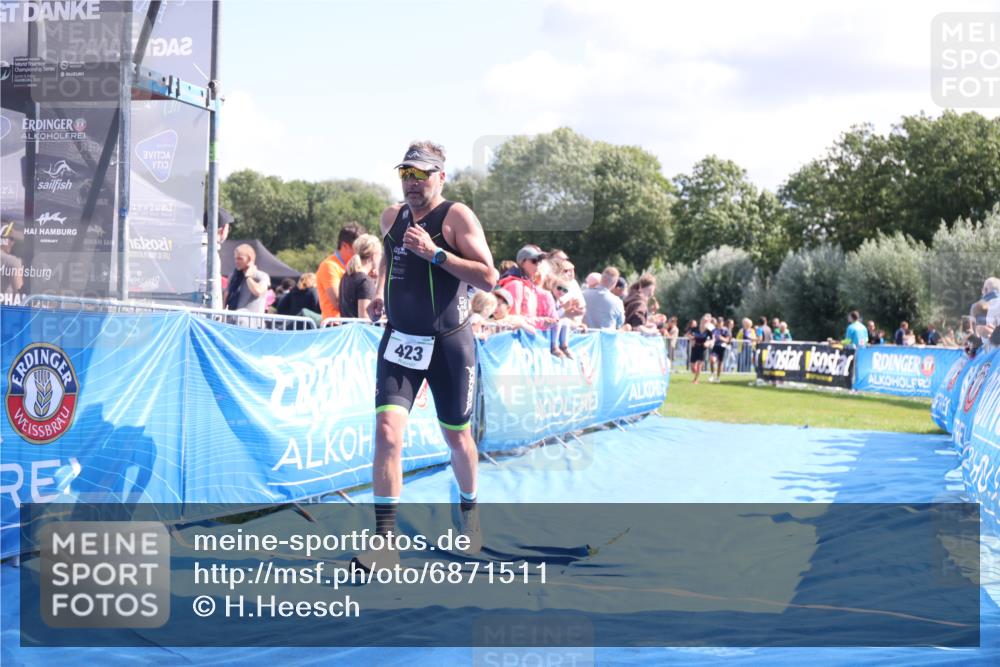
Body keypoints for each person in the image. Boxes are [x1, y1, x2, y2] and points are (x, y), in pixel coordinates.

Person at [358, 141, 497, 571]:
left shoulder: (456, 217)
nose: (411, 183)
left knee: (457, 437)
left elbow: (489, 277)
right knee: (387, 432)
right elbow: (387, 257)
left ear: (440, 176)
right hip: (401, 340)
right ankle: (385, 541)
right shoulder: (390, 216)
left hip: (449, 343)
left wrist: (434, 253)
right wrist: (381, 293)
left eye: (421, 175)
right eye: (406, 173)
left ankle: (469, 513)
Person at [316, 222, 365, 321]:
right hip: (335, 327)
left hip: (351, 325)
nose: (361, 253)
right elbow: (338, 303)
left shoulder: (357, 265)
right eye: (357, 248)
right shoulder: (329, 266)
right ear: (344, 246)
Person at [223, 244, 270, 321]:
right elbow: (226, 295)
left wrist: (248, 277)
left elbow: (258, 291)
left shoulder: (262, 276)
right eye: (235, 258)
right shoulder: (233, 276)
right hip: (231, 321)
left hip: (252, 324)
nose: (236, 261)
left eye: (240, 259)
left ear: (249, 259)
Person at [339, 234, 382, 319]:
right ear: (373, 256)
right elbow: (365, 318)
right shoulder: (365, 281)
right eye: (380, 255)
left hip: (347, 330)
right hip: (359, 332)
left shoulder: (346, 276)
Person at [688, 314, 713, 384]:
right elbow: (688, 334)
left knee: (699, 365)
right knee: (693, 368)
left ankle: (696, 379)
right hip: (695, 347)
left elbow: (712, 339)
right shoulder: (695, 328)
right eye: (703, 320)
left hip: (703, 348)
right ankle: (696, 373)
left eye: (706, 321)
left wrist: (708, 343)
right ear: (701, 321)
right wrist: (691, 339)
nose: (704, 322)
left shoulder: (708, 331)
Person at [709, 316, 731, 383]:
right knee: (712, 360)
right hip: (715, 347)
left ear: (723, 323)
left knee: (720, 363)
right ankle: (712, 375)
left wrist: (722, 338)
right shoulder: (714, 330)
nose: (719, 323)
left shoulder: (726, 330)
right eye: (718, 322)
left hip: (722, 348)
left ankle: (718, 377)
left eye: (720, 322)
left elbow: (727, 340)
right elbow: (711, 337)